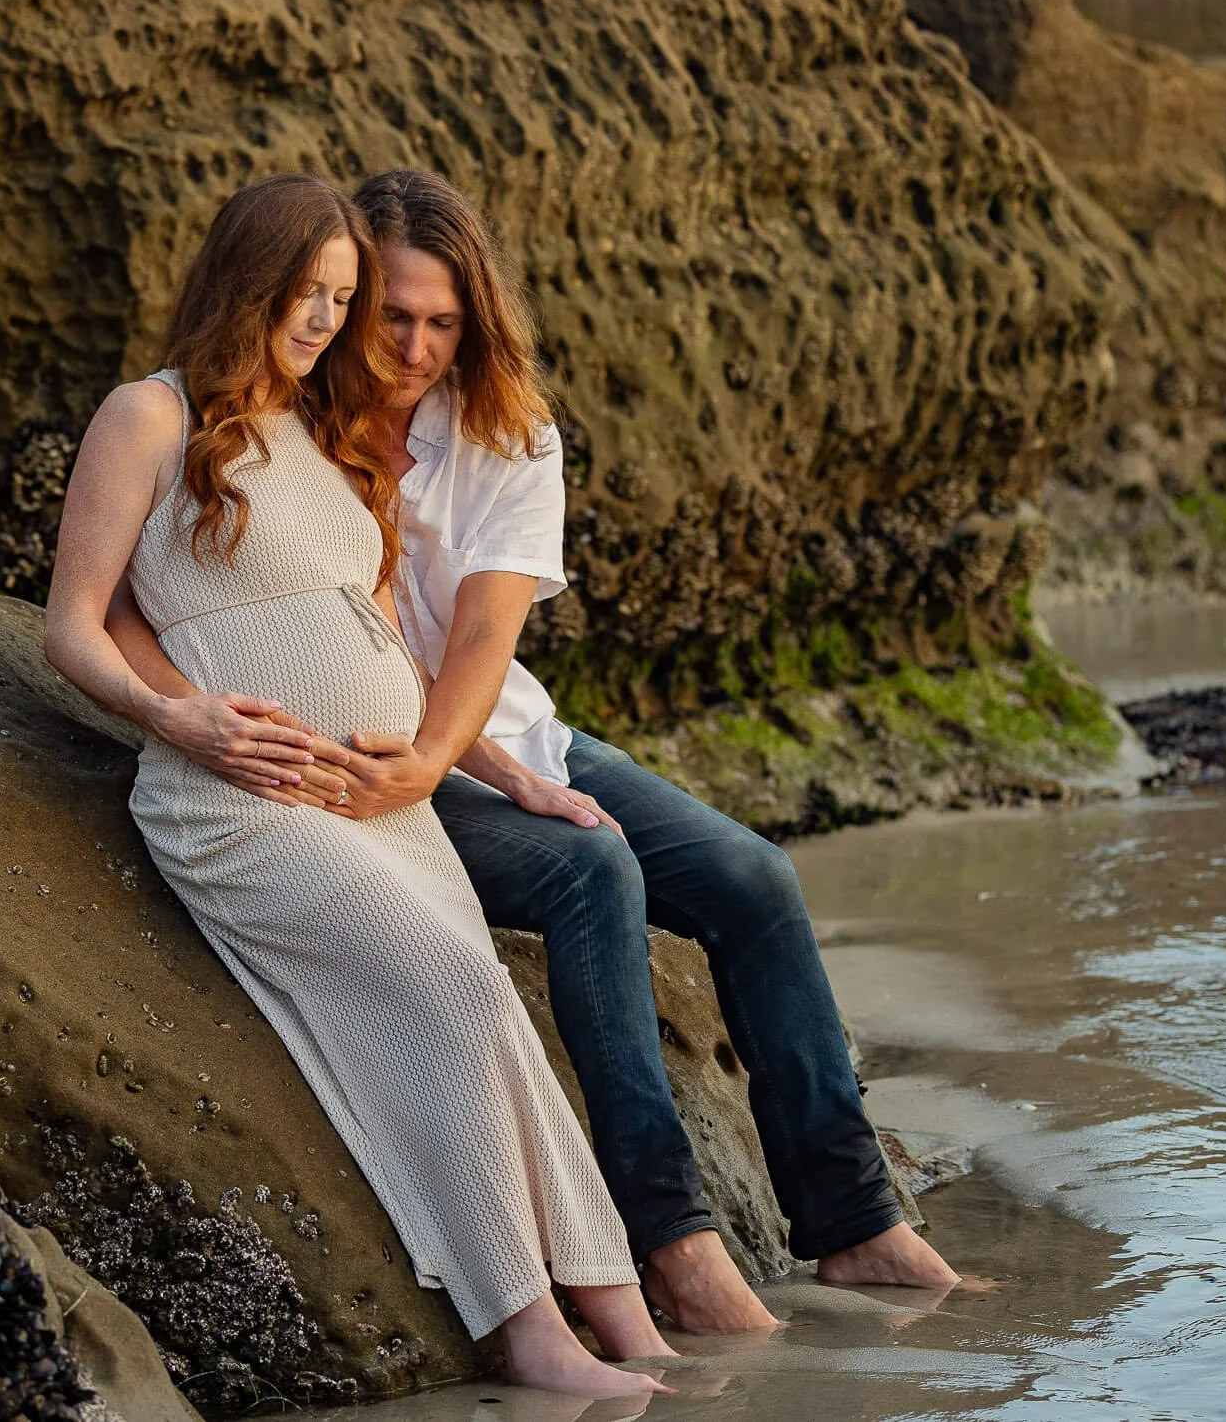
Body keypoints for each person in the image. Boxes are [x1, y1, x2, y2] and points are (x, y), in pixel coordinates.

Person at [109, 169, 960, 1333]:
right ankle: (669, 1238)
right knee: (588, 872)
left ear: (477, 320)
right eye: (391, 315)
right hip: (369, 762)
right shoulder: (292, 408)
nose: (412, 345)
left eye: (442, 321)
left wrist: (447, 759)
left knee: (755, 878)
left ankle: (856, 1221)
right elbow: (148, 567)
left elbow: (478, 639)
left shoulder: (511, 436)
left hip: (497, 734)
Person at [42, 173, 674, 1396]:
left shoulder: (318, 428)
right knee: (449, 989)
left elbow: (386, 640)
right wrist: (182, 718)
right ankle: (525, 1328)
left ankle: (626, 1313)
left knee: (489, 1000)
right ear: (248, 278)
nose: (329, 318)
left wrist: (493, 764)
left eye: (344, 296)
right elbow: (75, 625)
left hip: (383, 800)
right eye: (310, 291)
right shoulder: (149, 417)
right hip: (240, 798)